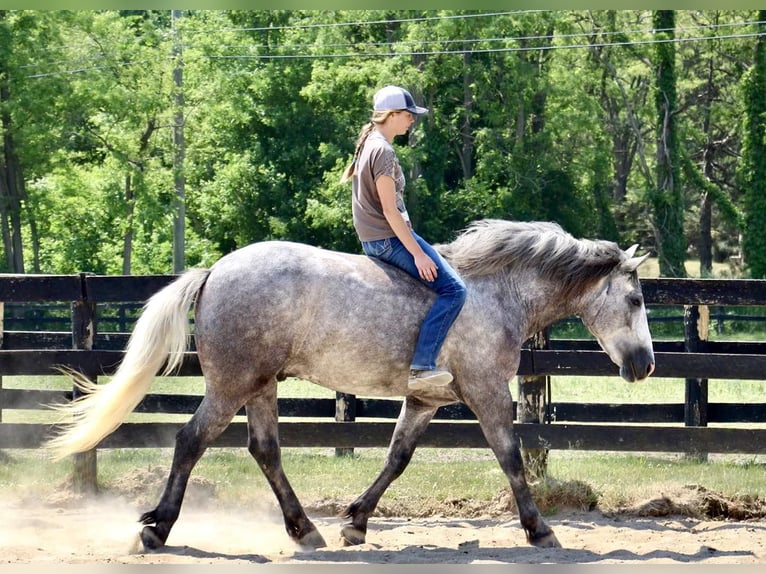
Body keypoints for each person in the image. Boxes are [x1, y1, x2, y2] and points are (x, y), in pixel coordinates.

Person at [341, 85, 467, 392]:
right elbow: (390, 210)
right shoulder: (383, 151)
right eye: (408, 115)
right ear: (392, 115)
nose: (412, 120)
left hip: (375, 238)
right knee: (455, 290)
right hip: (389, 238)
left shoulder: (369, 143)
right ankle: (423, 365)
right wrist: (418, 254)